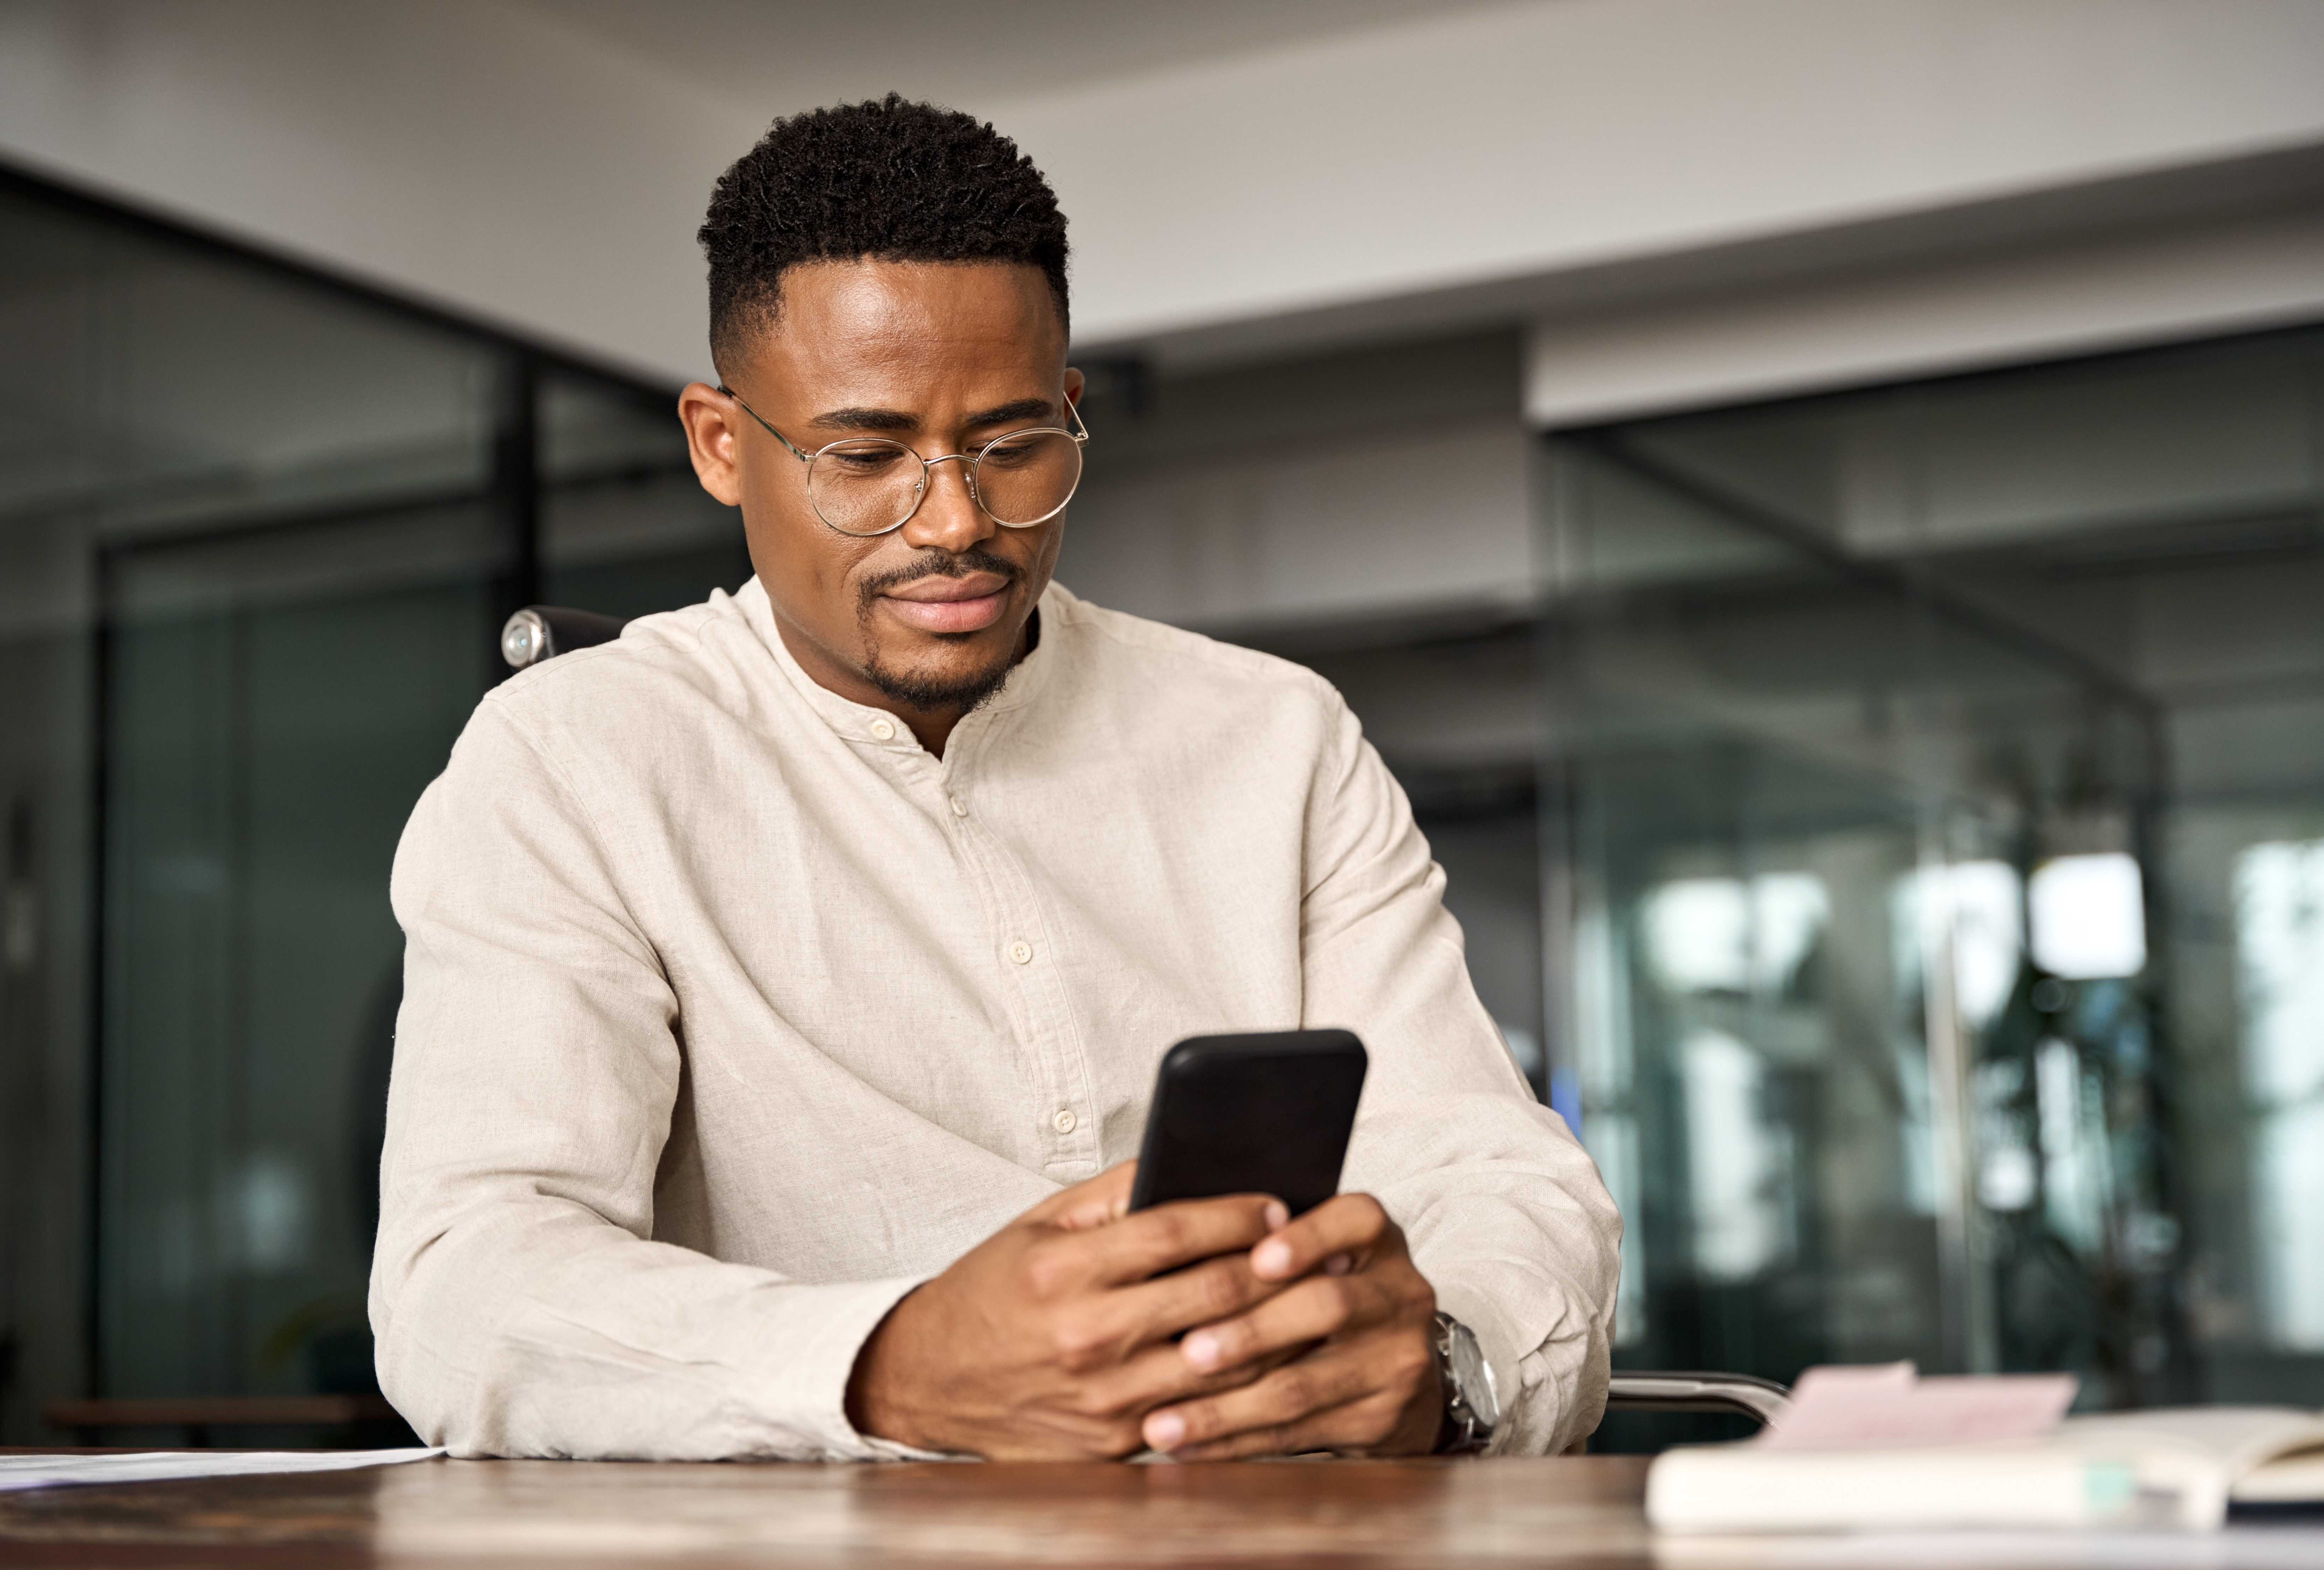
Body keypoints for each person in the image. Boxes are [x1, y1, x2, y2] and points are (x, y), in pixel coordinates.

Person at [370, 95, 1618, 1463]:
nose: (958, 523)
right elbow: (468, 1283)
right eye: (864, 457)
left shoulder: (1278, 740)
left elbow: (1506, 1182)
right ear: (722, 445)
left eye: (1014, 443)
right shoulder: (572, 761)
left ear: (1072, 409)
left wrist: (1447, 1372)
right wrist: (888, 1368)